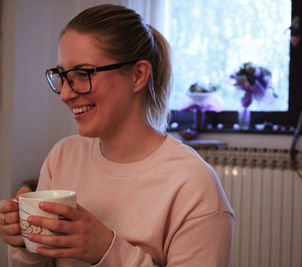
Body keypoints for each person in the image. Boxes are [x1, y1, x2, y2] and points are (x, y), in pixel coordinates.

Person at [0, 4, 234, 266]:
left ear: (137, 75)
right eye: (63, 76)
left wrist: (105, 249)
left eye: (83, 74)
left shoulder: (193, 184)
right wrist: (28, 245)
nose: (65, 94)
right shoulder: (62, 157)